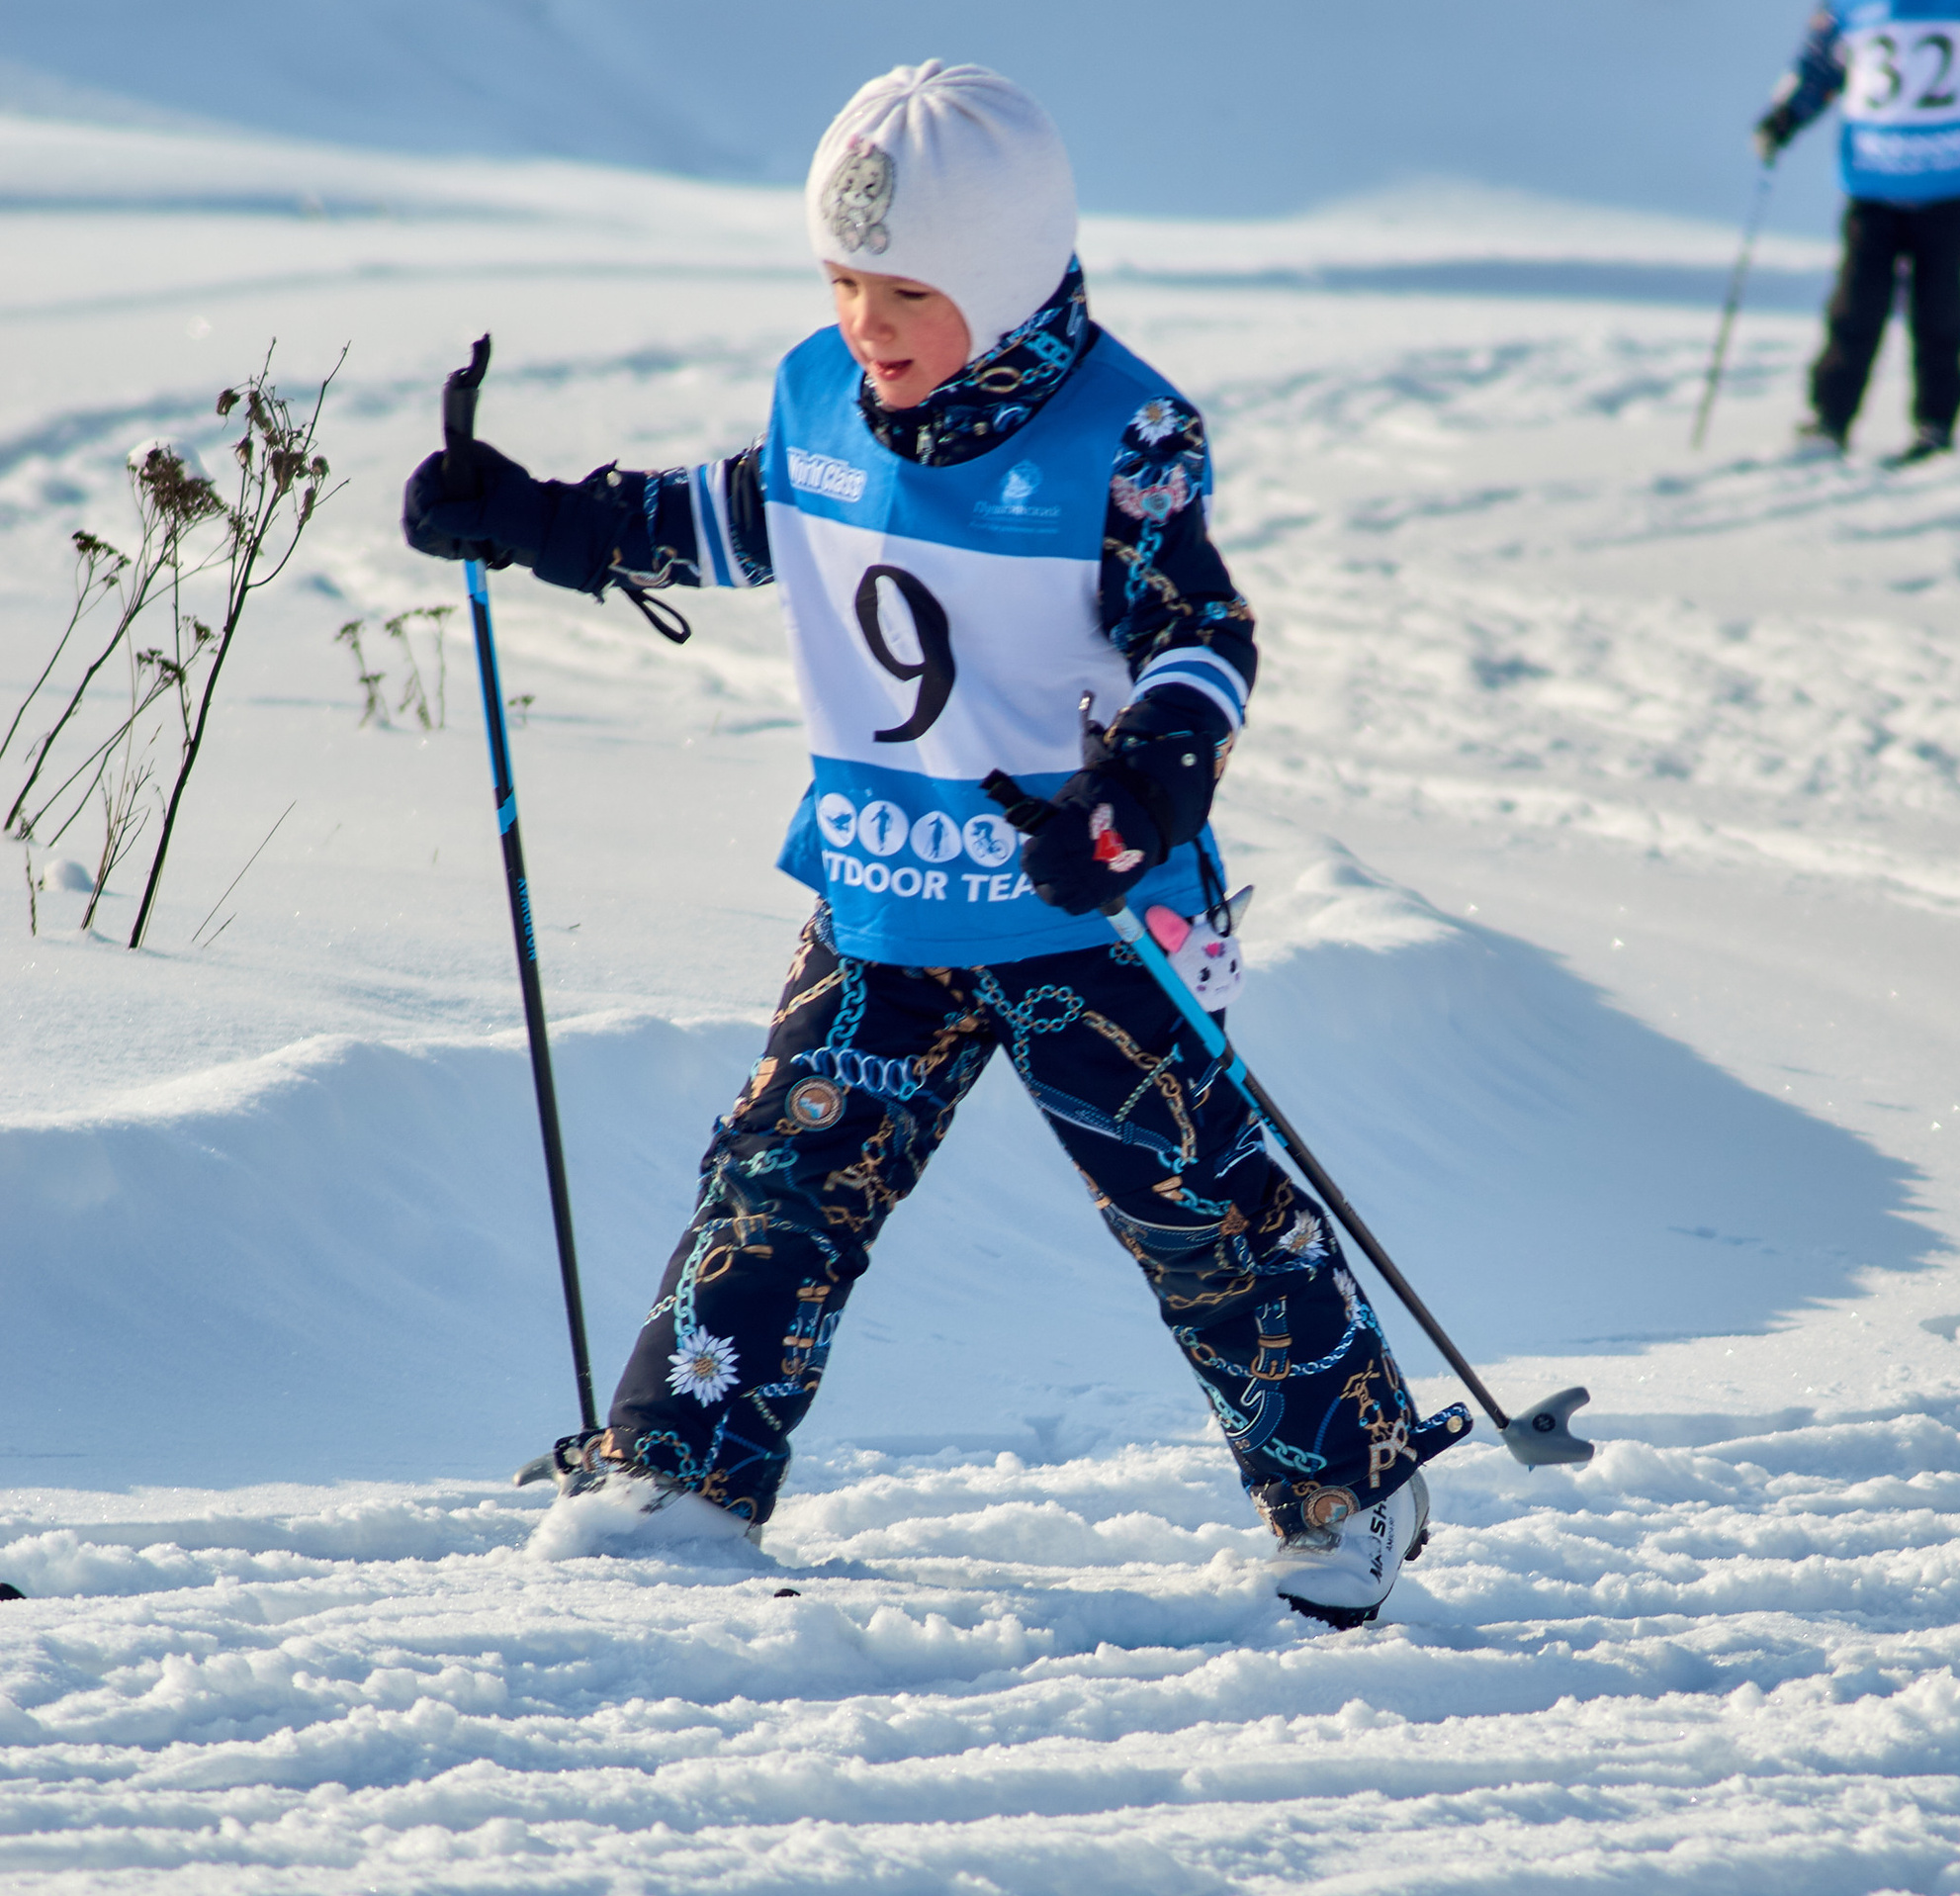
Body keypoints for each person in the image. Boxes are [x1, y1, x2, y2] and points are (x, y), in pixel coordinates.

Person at [401, 61, 1470, 1626]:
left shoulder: (1122, 434)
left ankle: (1348, 1482)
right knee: (778, 1190)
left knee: (1198, 1208)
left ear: (1010, 275)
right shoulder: (821, 394)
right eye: (842, 281)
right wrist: (545, 518)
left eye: (907, 289)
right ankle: (677, 1476)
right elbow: (742, 514)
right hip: (883, 902)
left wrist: (1145, 793)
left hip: (1088, 916)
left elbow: (1201, 633)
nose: (867, 322)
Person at [1753, 1, 1960, 465]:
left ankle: (1935, 423)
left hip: (1947, 177)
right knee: (1856, 303)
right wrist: (1784, 117)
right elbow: (1820, 65)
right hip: (1875, 176)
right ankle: (1830, 419)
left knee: (1939, 307)